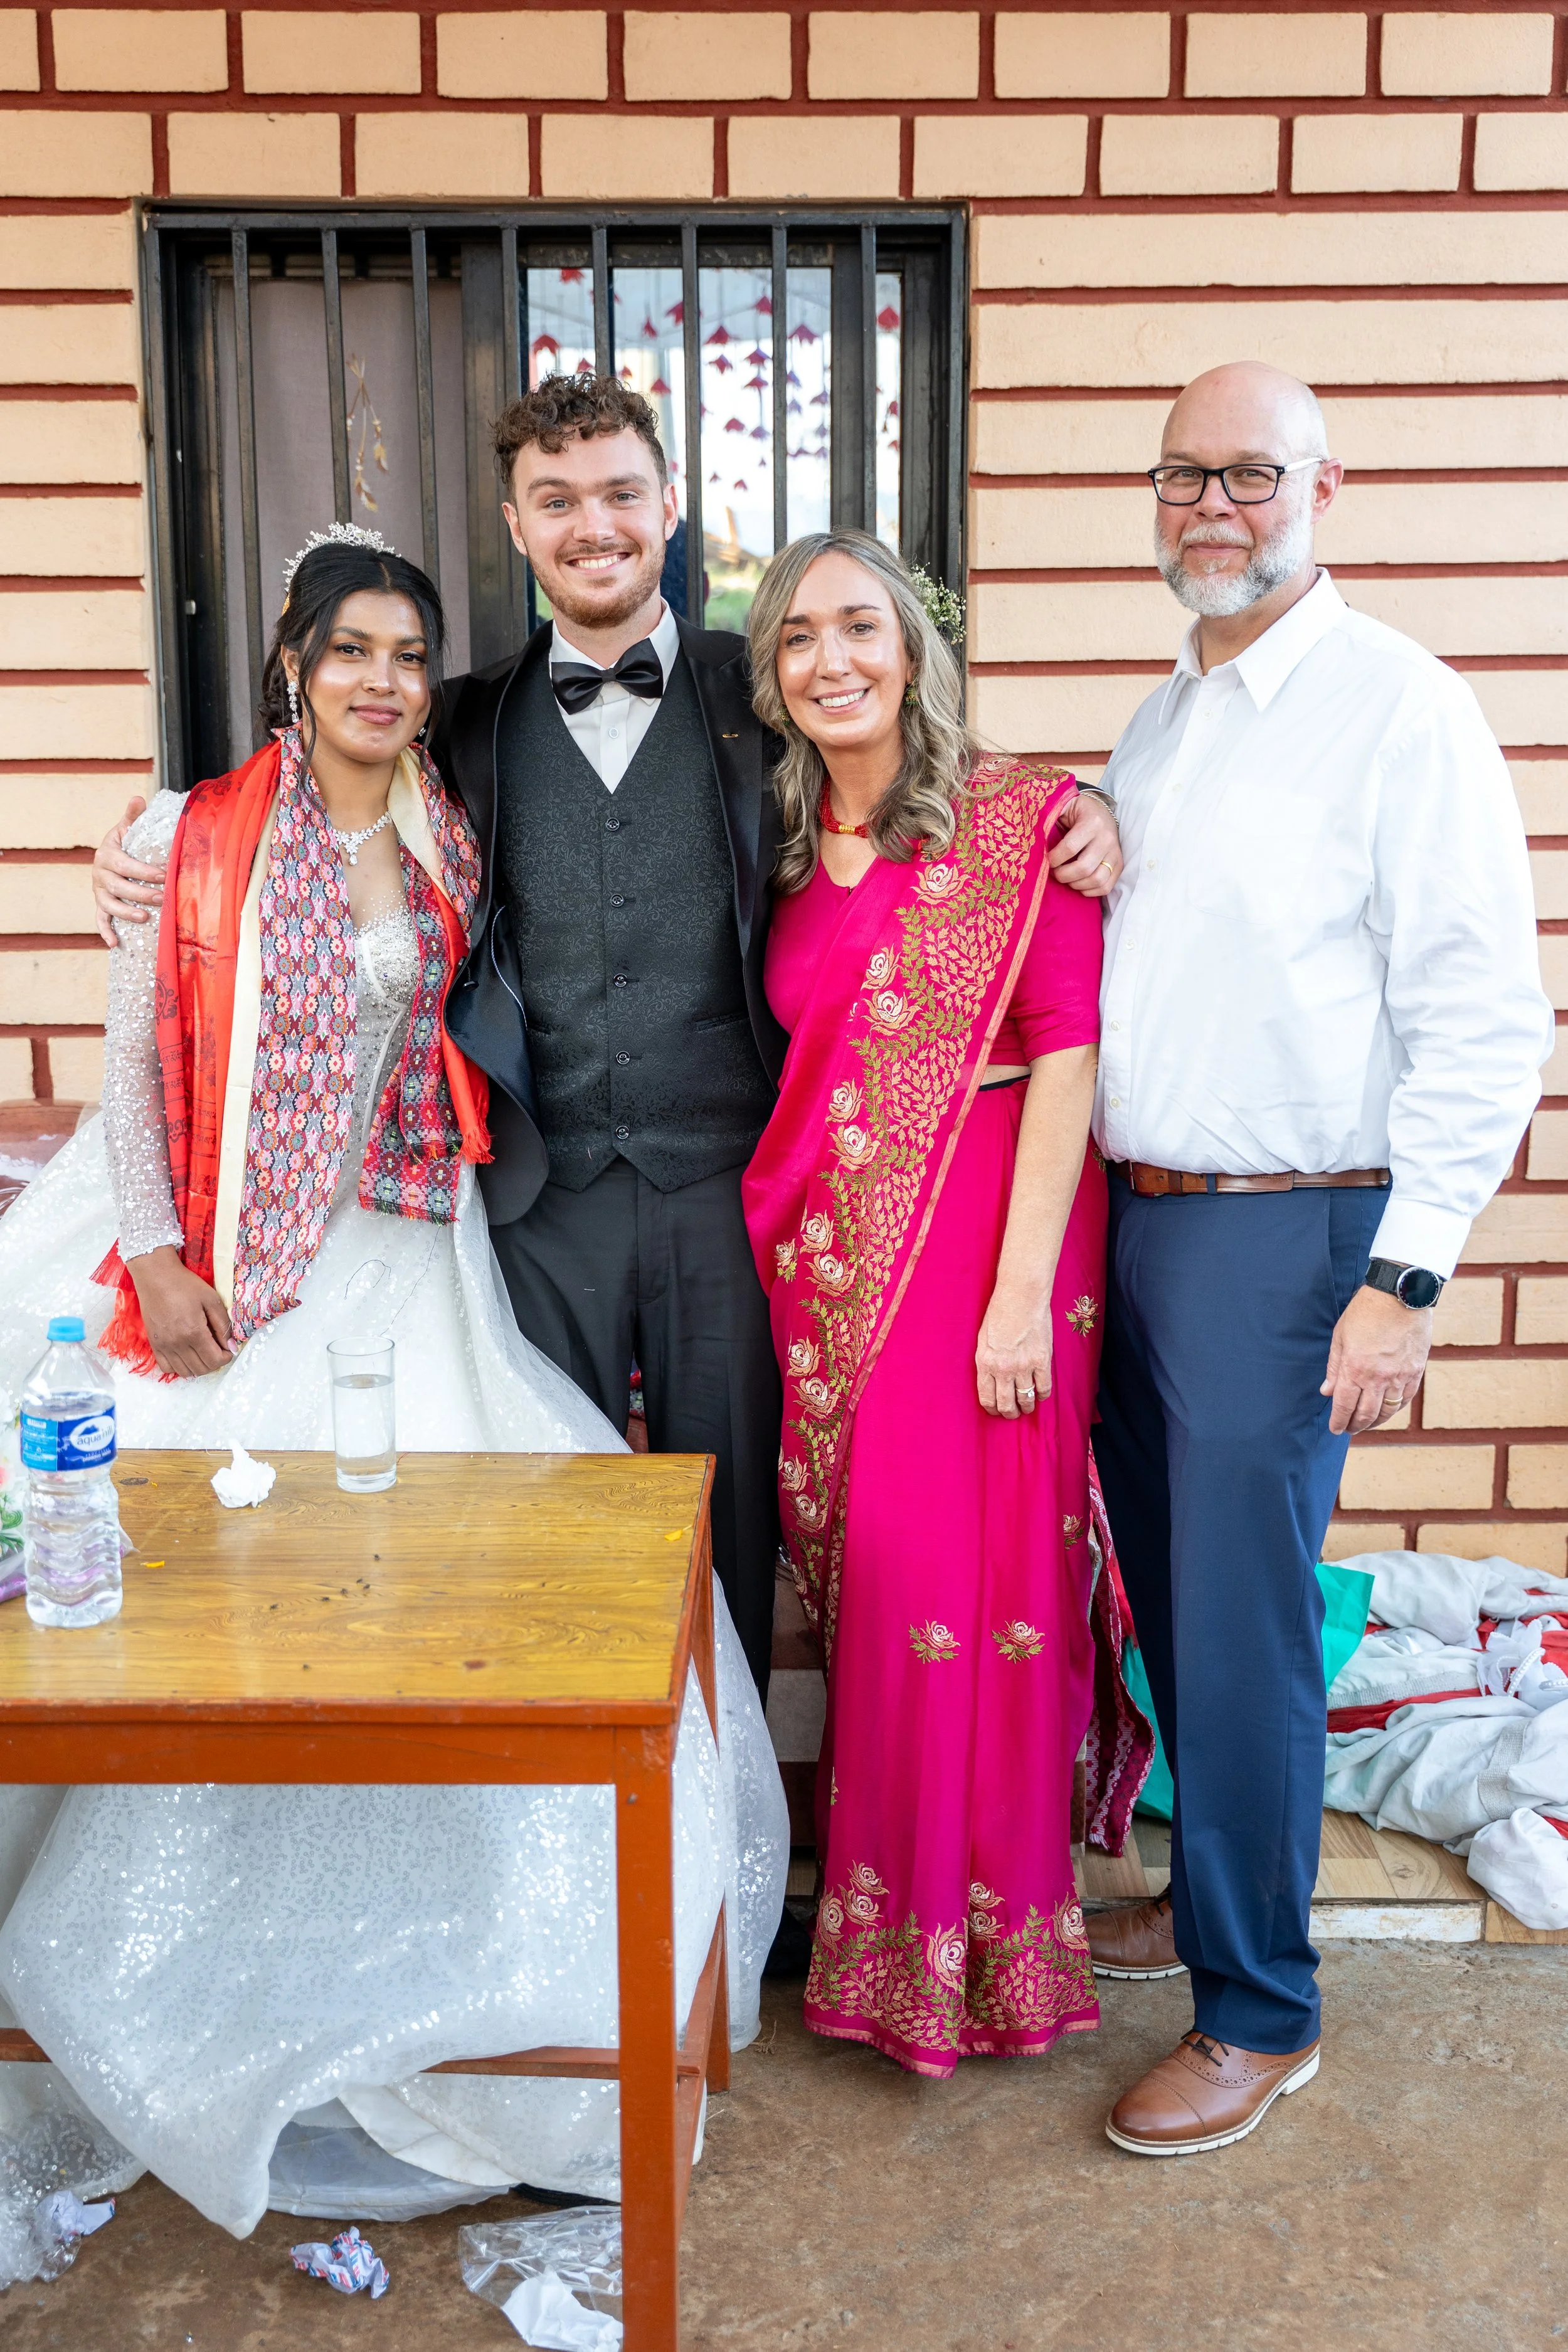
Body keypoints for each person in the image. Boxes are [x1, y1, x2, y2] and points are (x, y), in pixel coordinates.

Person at [89, 374, 1127, 1702]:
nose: (594, 526)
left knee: (730, 1539)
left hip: (738, 1197)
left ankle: (726, 1873)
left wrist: (1089, 810)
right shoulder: (454, 719)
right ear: (516, 527)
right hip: (535, 1199)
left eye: (621, 494)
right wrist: (136, 852)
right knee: (551, 1544)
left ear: (670, 509)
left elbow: (929, 780)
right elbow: (294, 812)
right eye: (556, 501)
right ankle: (589, 1851)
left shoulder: (768, 694)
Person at [0, 524, 785, 2233]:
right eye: (349, 646)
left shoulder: (452, 814)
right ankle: (162, 1997)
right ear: (291, 659)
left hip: (414, 1249)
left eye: (407, 652)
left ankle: (450, 2014)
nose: (380, 677)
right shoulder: (187, 835)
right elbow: (133, 1065)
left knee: (456, 1616)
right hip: (224, 1257)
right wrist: (153, 1260)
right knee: (197, 1625)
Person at [1085, 363, 1554, 2156]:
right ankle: (1209, 1901)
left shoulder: (1396, 710)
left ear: (1320, 489)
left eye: (1249, 474)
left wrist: (1404, 1274)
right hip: (1137, 1219)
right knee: (1177, 1598)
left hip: (1286, 1240)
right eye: (1184, 475)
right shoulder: (1172, 713)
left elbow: (1481, 1016)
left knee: (1250, 1621)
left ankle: (1258, 2006)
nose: (1213, 504)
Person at [741, 527, 1120, 2077]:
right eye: (795, 640)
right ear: (768, 678)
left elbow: (1067, 1059)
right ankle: (887, 1943)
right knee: (892, 1605)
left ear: (914, 646)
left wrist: (1018, 1299)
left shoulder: (1018, 823)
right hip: (829, 1268)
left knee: (978, 1600)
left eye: (858, 628)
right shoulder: (770, 845)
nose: (831, 661)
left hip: (983, 1263)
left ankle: (994, 1965)